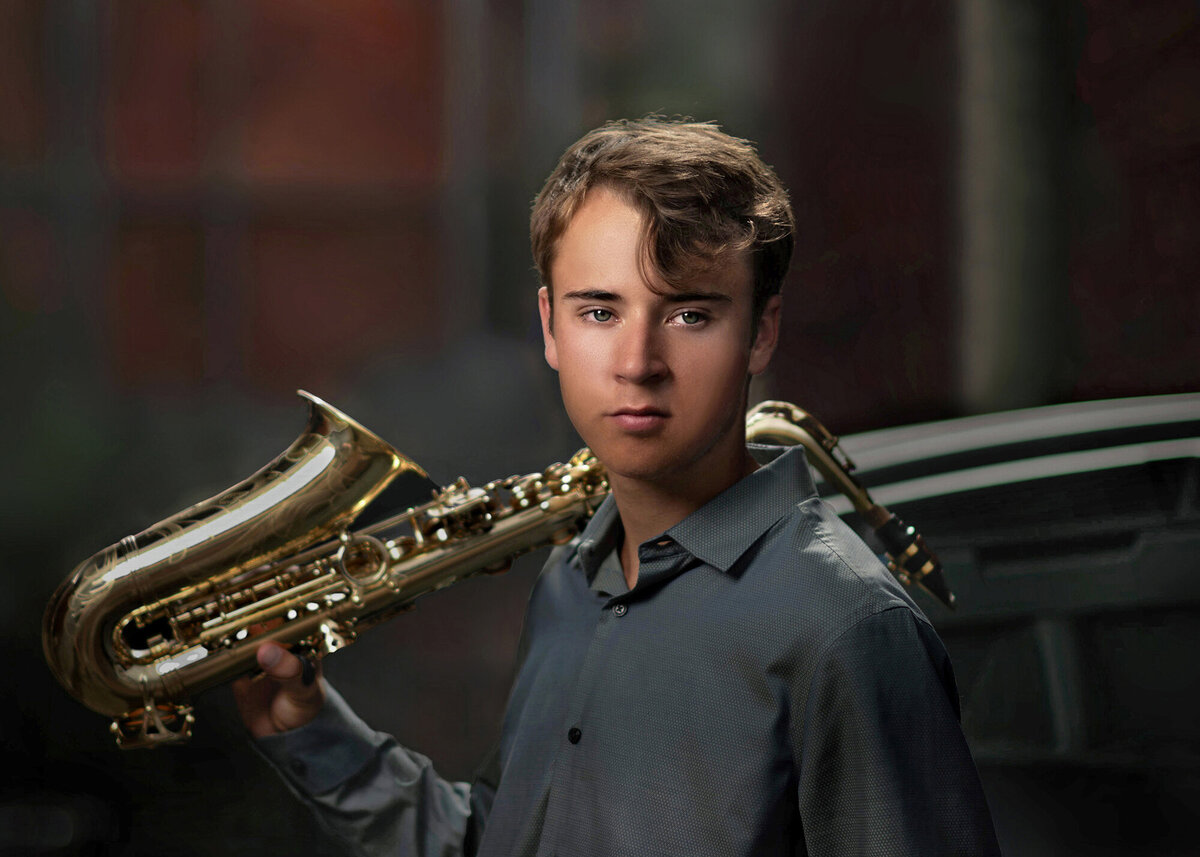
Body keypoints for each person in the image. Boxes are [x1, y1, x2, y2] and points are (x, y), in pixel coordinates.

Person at [233, 117, 1001, 856]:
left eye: (691, 315)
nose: (637, 361)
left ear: (762, 332)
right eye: (600, 310)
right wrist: (314, 735)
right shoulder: (569, 583)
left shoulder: (849, 629)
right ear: (550, 327)